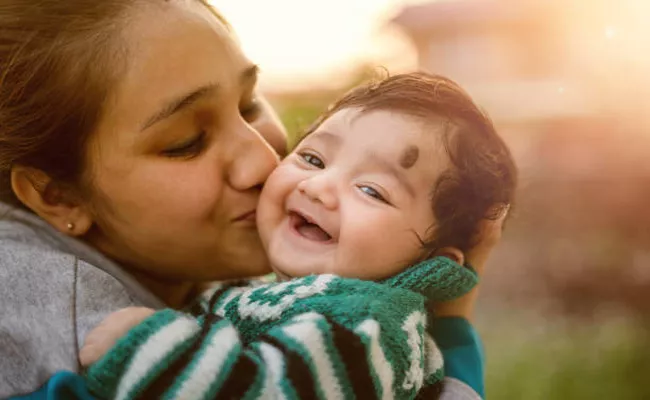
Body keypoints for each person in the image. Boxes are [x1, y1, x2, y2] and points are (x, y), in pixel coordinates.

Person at [0, 0, 503, 399]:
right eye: (185, 143)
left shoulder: (208, 270)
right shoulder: (51, 336)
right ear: (57, 196)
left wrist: (449, 322)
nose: (264, 162)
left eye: (249, 104)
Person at [77, 72, 517, 400]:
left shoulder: (371, 328)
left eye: (372, 190)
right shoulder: (283, 293)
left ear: (435, 266)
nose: (318, 187)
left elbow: (262, 390)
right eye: (312, 158)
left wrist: (146, 347)